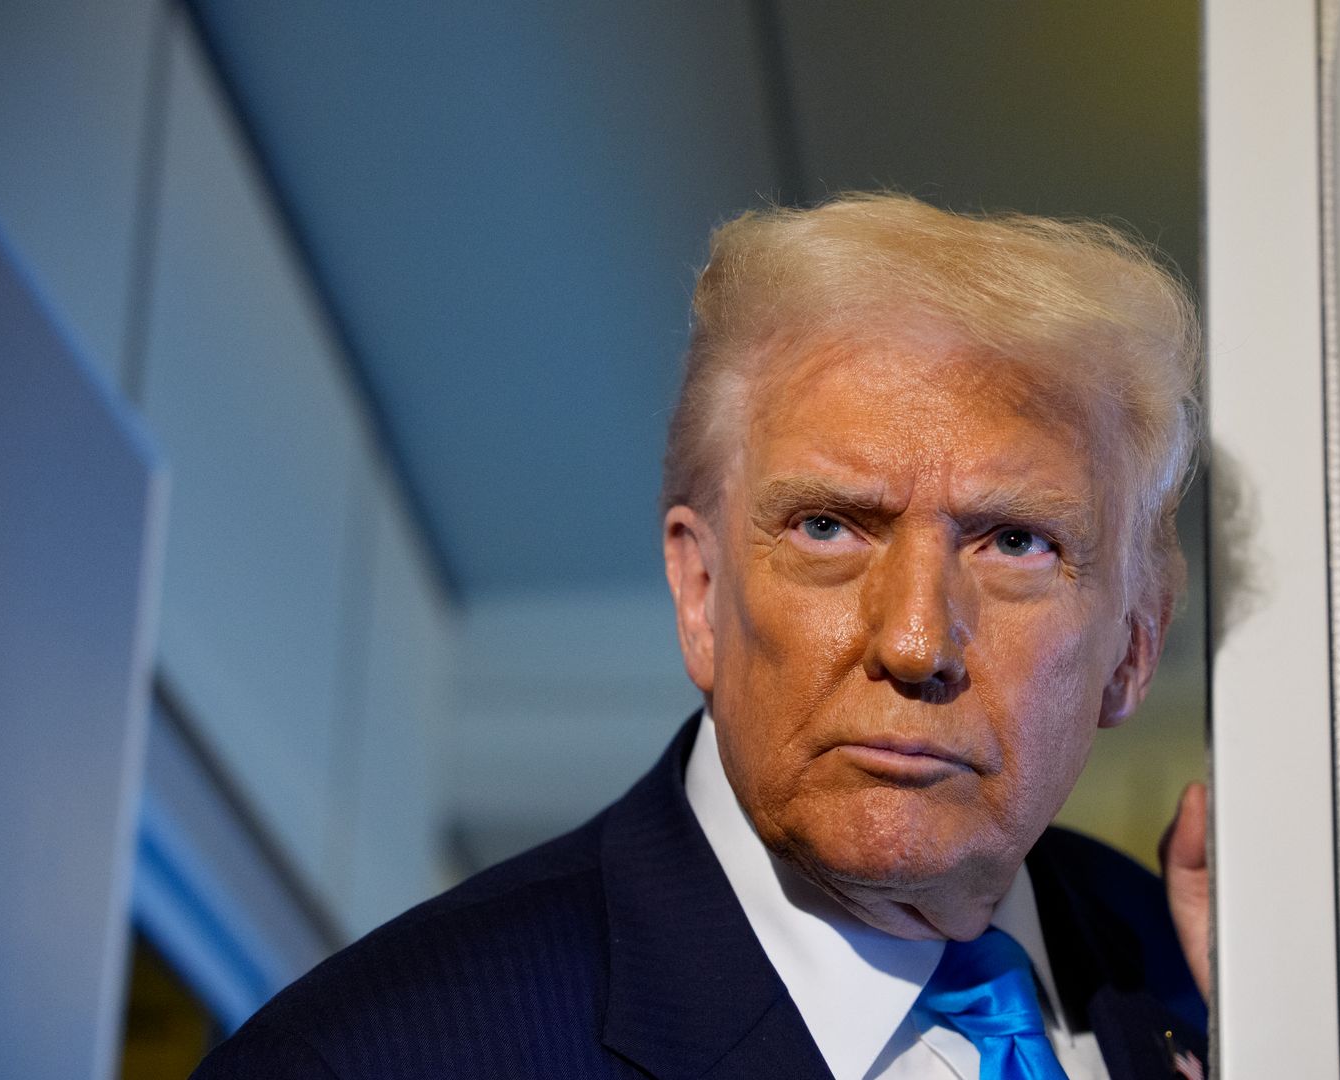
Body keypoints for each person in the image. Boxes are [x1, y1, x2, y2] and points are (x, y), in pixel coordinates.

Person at [193, 193, 1214, 1080]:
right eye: (827, 528)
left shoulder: (1211, 979)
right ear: (700, 590)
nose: (913, 642)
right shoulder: (363, 1061)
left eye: (1017, 544)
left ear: (1133, 646)